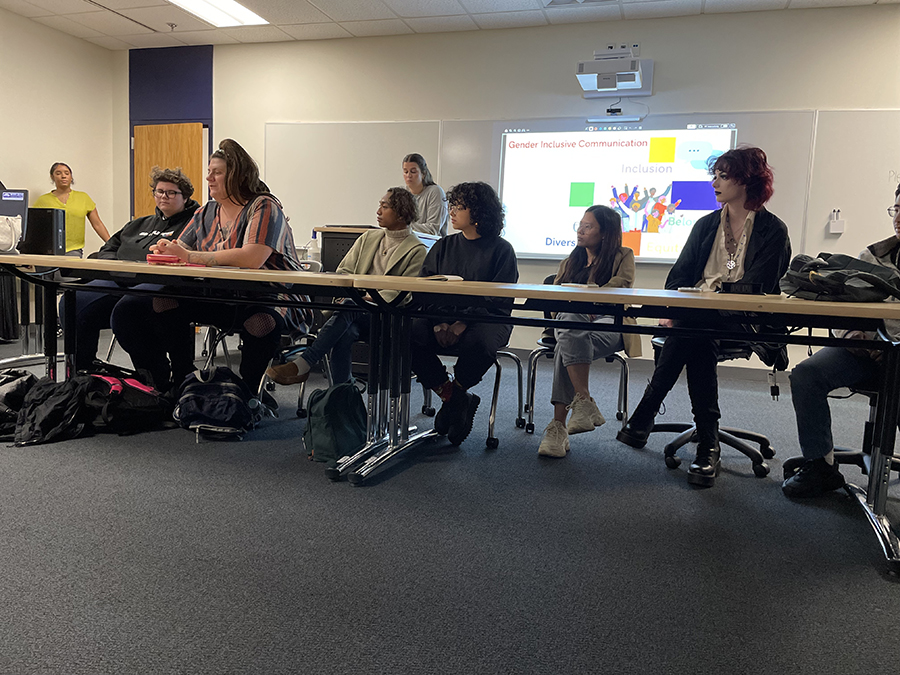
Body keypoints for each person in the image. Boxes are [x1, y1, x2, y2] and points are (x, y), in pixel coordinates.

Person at [615, 146, 791, 488]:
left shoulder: (773, 230)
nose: (715, 182)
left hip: (744, 322)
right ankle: (708, 444)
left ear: (748, 181)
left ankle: (646, 413)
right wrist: (685, 305)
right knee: (698, 335)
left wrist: (709, 301)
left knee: (695, 330)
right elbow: (677, 279)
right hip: (698, 321)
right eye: (715, 175)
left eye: (723, 176)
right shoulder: (705, 225)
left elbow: (760, 289)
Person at [110, 139, 307, 393]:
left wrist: (188, 256)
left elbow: (251, 258)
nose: (209, 178)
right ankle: (180, 378)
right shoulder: (206, 212)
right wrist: (166, 250)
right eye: (209, 171)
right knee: (152, 304)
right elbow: (180, 249)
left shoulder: (263, 205)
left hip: (270, 295)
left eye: (217, 172)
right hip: (220, 293)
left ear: (237, 175)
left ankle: (249, 393)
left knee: (261, 322)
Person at [783, 183, 900, 498]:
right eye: (897, 209)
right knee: (807, 374)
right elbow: (840, 312)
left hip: (896, 356)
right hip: (865, 352)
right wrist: (851, 336)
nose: (899, 218)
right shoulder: (872, 257)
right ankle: (820, 466)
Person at [265, 187, 427, 386]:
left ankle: (306, 363)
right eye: (380, 205)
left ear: (402, 213)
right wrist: (356, 296)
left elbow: (406, 293)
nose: (378, 211)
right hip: (356, 311)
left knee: (349, 307)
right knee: (345, 332)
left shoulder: (417, 249)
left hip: (388, 316)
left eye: (385, 206)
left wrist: (364, 296)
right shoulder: (368, 238)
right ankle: (342, 397)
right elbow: (343, 271)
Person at [410, 181, 519, 446]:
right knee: (406, 332)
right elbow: (425, 290)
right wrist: (439, 322)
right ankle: (456, 397)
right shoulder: (443, 245)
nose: (453, 211)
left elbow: (498, 300)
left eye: (460, 206)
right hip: (442, 319)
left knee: (479, 342)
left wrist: (462, 323)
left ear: (479, 212)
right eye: (452, 205)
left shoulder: (502, 250)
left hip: (487, 319)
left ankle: (455, 394)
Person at [62, 167, 200, 372]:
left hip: (161, 285)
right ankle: (83, 371)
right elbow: (108, 248)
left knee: (128, 311)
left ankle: (155, 376)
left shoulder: (194, 224)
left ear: (186, 197)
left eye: (171, 192)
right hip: (118, 281)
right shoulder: (138, 224)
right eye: (159, 191)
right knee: (72, 300)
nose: (164, 196)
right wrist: (118, 267)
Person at [537, 205, 642, 458]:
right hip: (571, 324)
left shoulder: (623, 255)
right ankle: (583, 401)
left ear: (605, 233)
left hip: (611, 322)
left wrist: (588, 305)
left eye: (588, 226)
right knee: (570, 329)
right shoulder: (570, 261)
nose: (581, 231)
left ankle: (558, 427)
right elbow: (555, 301)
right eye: (580, 225)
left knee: (568, 335)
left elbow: (621, 286)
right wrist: (578, 311)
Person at [33, 162, 110, 256]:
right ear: (52, 177)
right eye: (58, 173)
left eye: (66, 173)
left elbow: (97, 224)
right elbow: (34, 229)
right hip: (47, 251)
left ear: (71, 177)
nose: (63, 176)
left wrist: (112, 245)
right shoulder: (43, 200)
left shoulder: (83, 198)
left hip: (73, 250)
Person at [402, 153, 448, 237]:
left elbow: (433, 229)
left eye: (413, 171)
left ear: (423, 174)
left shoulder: (435, 191)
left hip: (431, 244)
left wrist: (404, 227)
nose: (408, 175)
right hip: (409, 241)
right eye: (405, 172)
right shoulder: (403, 194)